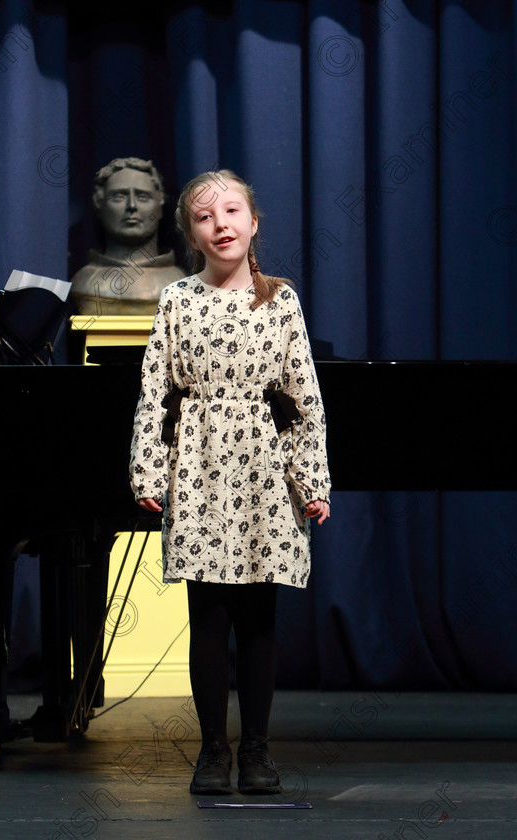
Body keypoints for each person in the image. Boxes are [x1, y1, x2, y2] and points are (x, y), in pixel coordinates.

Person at [129, 169, 330, 795]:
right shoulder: (178, 301)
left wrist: (311, 479)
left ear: (253, 222)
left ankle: (258, 751)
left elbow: (304, 399)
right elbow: (153, 394)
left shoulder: (281, 301)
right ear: (191, 232)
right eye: (205, 217)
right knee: (209, 618)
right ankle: (212, 749)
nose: (221, 225)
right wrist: (148, 467)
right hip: (199, 468)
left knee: (259, 620)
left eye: (232, 211)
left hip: (261, 474)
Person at [70, 157, 185, 316]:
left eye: (142, 197)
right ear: (99, 205)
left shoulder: (180, 284)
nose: (131, 205)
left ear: (160, 206)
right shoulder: (83, 282)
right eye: (119, 196)